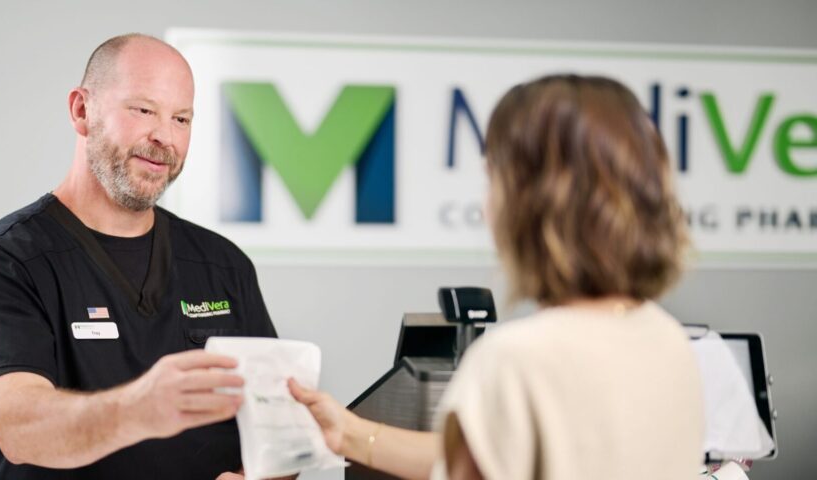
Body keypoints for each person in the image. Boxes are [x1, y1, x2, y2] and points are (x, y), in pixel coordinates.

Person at [289, 75, 705, 480]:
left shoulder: (516, 360)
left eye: (493, 177)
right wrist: (349, 433)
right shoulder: (667, 338)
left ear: (532, 202)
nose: (486, 205)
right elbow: (489, 457)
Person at [0, 33, 280, 480]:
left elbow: (277, 430)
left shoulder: (222, 264)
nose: (164, 136)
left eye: (181, 118)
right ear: (82, 110)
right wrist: (141, 409)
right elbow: (19, 427)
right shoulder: (11, 260)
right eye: (143, 110)